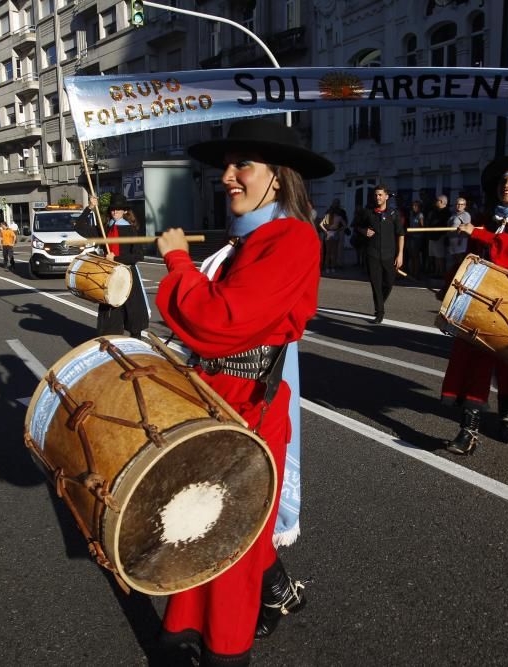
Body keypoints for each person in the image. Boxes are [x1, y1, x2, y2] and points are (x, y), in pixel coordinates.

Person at [154, 118, 333, 667]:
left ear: (278, 178)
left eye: (242, 166)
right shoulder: (251, 240)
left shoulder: (293, 237)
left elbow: (220, 320)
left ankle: (228, 649)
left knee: (227, 538)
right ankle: (226, 610)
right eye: (226, 167)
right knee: (202, 525)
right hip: (219, 397)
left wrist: (179, 262)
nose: (227, 176)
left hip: (248, 404)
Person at [442, 156, 508, 454]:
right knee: (474, 361)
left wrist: (480, 234)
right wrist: (450, 289)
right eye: (504, 181)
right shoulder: (488, 217)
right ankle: (469, 430)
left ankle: (505, 418)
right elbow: (472, 258)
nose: (507, 185)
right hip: (482, 298)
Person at [75, 192, 150, 338]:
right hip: (108, 276)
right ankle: (110, 343)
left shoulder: (131, 230)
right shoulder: (105, 229)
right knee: (110, 316)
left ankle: (135, 346)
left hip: (128, 275)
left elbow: (138, 255)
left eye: (118, 209)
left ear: (125, 211)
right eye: (113, 209)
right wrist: (89, 207)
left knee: (133, 317)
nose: (115, 211)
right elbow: (79, 227)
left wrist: (117, 258)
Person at [354, 185, 404, 323]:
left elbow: (401, 234)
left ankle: (380, 302)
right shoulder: (368, 213)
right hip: (372, 254)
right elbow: (356, 226)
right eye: (376, 195)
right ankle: (380, 312)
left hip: (389, 255)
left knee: (389, 283)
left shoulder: (394, 214)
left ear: (386, 196)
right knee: (376, 284)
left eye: (380, 195)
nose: (378, 197)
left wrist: (400, 254)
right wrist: (364, 231)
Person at [318, 199, 346, 274]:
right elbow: (344, 225)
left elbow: (321, 224)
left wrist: (325, 231)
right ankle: (332, 267)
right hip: (335, 233)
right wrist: (338, 230)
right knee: (333, 252)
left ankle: (327, 267)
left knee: (328, 252)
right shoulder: (339, 217)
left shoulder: (327, 217)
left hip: (328, 233)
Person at [426, 194, 450, 276]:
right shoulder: (434, 211)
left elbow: (446, 225)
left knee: (440, 256)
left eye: (437, 200)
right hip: (432, 236)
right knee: (435, 256)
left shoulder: (447, 212)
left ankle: (442, 273)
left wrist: (444, 236)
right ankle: (437, 272)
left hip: (440, 236)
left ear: (442, 201)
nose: (435, 202)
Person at [446, 197, 471, 272]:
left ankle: (460, 275)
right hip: (452, 239)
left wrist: (461, 239)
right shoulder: (454, 214)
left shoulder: (466, 215)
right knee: (454, 260)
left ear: (465, 206)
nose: (459, 206)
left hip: (460, 240)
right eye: (458, 204)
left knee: (459, 259)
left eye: (461, 204)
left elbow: (466, 228)